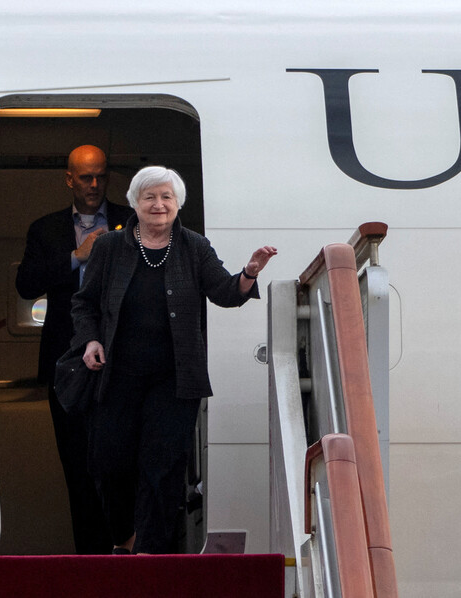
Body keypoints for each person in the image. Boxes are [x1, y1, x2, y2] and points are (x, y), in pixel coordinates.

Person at [70, 165, 277, 554]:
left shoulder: (193, 246)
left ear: (178, 204)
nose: (159, 204)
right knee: (109, 465)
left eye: (166, 197)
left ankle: (150, 554)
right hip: (117, 377)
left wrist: (248, 273)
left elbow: (224, 291)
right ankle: (125, 540)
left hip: (174, 380)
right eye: (149, 197)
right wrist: (90, 340)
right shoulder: (109, 248)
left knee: (161, 470)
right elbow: (83, 303)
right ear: (135, 202)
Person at [16, 145, 135, 554]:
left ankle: (128, 551)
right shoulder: (45, 229)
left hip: (123, 360)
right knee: (77, 466)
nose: (94, 184)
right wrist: (75, 257)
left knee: (121, 462)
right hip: (66, 364)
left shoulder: (131, 221)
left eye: (101, 175)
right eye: (85, 177)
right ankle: (90, 558)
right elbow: (26, 285)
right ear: (69, 179)